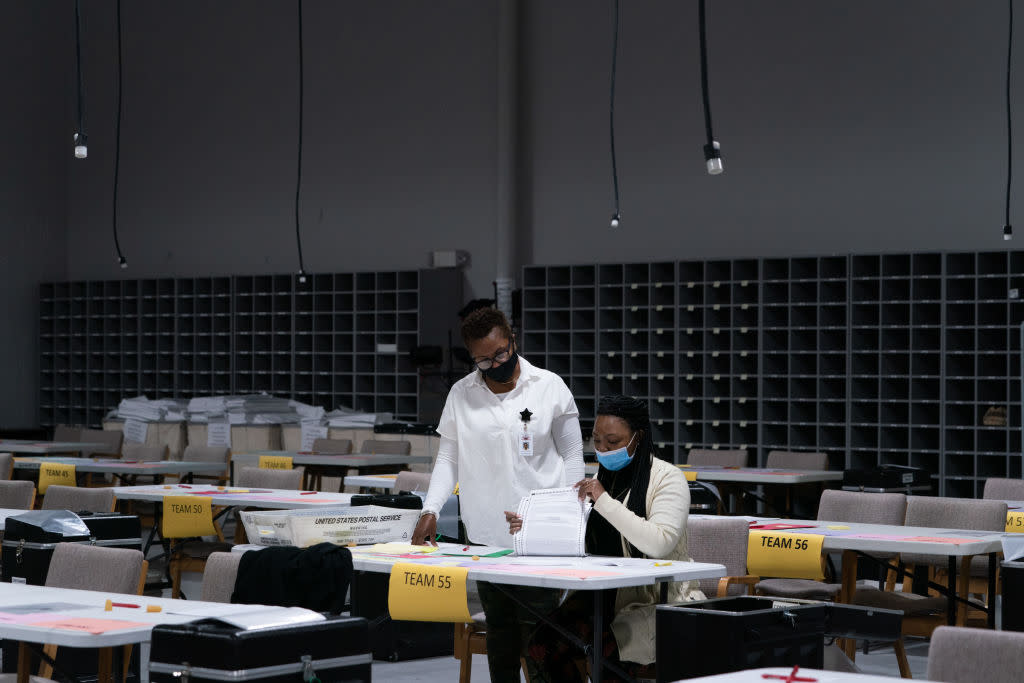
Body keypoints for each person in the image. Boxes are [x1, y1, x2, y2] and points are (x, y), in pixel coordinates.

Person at [411, 307, 585, 683]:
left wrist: (571, 515)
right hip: (486, 537)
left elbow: (573, 456)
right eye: (483, 360)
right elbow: (447, 458)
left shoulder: (549, 386)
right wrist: (430, 509)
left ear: (512, 340)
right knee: (501, 637)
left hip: (540, 536)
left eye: (501, 354)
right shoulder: (461, 394)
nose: (494, 364)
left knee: (541, 641)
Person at [506, 394, 705, 682]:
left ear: (638, 437)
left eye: (612, 442)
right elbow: (578, 540)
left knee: (611, 654)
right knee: (542, 644)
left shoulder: (667, 479)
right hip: (600, 597)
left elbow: (659, 542)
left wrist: (603, 500)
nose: (602, 449)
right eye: (597, 441)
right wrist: (532, 527)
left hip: (654, 602)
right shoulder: (600, 480)